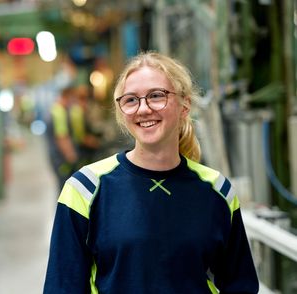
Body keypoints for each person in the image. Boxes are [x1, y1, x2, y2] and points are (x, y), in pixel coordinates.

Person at [43, 52, 259, 293]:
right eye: (131, 100)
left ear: (185, 105)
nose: (143, 109)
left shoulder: (216, 190)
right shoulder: (86, 188)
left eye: (157, 96)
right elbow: (62, 286)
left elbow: (240, 285)